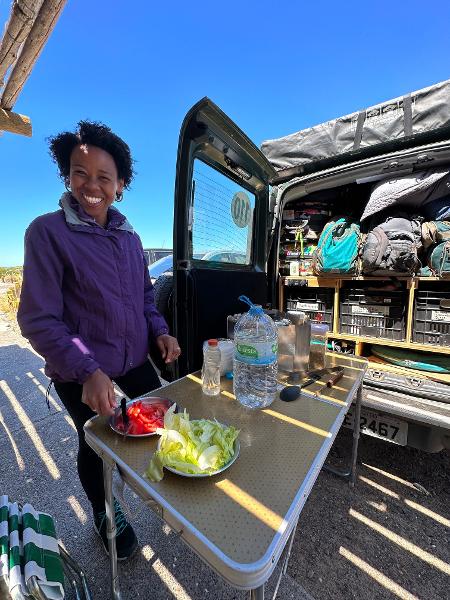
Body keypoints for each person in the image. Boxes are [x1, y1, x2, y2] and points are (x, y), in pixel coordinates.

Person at [17, 120, 181, 561]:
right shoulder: (46, 233)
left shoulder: (130, 238)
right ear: (67, 177)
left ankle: (163, 490)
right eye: (80, 173)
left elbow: (146, 299)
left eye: (103, 177)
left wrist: (160, 332)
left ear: (121, 185)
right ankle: (107, 512)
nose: (91, 186)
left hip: (131, 359)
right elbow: (38, 318)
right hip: (80, 371)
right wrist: (88, 370)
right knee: (99, 441)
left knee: (164, 423)